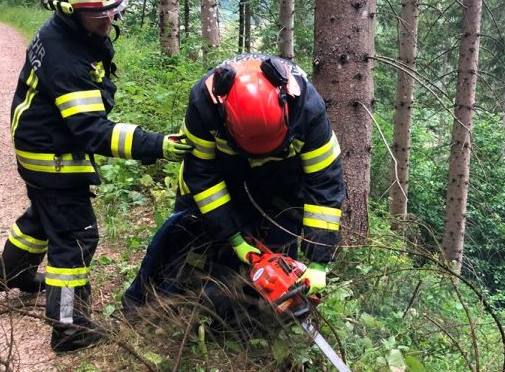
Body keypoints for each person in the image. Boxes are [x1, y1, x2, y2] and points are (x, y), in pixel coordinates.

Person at [0, 0, 191, 353]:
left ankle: (12, 274)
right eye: (100, 14)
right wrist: (158, 145)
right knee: (75, 237)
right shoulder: (67, 58)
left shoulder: (66, 33)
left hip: (35, 145)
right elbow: (93, 132)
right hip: (53, 157)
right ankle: (68, 327)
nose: (109, 20)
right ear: (68, 9)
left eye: (113, 11)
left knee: (44, 217)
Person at [123, 53, 345, 313]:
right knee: (188, 235)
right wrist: (233, 236)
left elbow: (324, 187)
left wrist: (319, 261)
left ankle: (259, 319)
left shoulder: (308, 109)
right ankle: (154, 306)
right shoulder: (204, 104)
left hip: (284, 175)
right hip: (223, 168)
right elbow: (202, 175)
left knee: (280, 241)